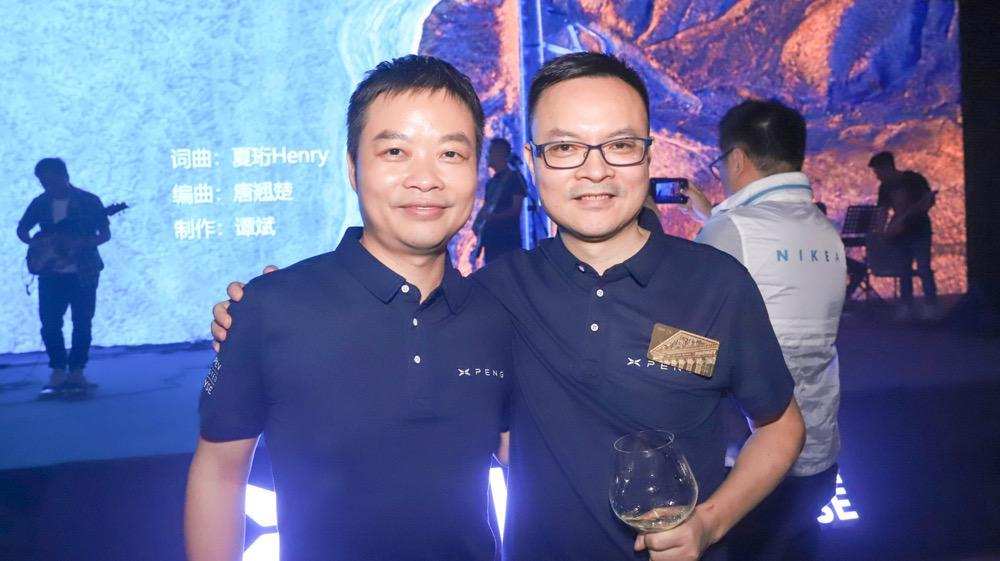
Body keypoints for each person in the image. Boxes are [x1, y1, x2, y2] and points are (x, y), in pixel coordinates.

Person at [212, 52, 805, 561]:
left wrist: (710, 523)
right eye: (566, 147)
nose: (595, 169)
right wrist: (269, 311)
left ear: (648, 156)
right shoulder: (496, 293)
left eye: (620, 145)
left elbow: (781, 429)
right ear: (534, 161)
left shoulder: (717, 283)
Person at [185, 55, 514, 561]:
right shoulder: (272, 308)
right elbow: (219, 474)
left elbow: (527, 462)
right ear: (352, 168)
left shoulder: (496, 317)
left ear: (475, 170)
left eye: (450, 153)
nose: (424, 178)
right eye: (395, 151)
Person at [683, 99, 846, 560]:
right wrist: (713, 219)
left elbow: (688, 348)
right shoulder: (826, 232)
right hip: (818, 450)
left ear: (736, 158)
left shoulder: (730, 231)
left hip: (749, 463)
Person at [17, 158, 111, 399]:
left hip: (84, 271)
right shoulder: (40, 203)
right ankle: (58, 371)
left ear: (64, 176)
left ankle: (77, 372)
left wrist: (82, 243)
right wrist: (40, 245)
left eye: (51, 179)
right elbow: (22, 229)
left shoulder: (88, 201)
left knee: (82, 322)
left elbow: (104, 234)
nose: (47, 185)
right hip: (50, 274)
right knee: (50, 324)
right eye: (43, 181)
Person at [868, 151, 937, 316]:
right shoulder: (884, 188)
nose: (877, 176)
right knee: (903, 270)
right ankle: (906, 305)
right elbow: (883, 211)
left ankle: (931, 305)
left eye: (878, 171)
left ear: (887, 167)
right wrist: (881, 231)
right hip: (900, 234)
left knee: (923, 268)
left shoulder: (914, 179)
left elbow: (927, 202)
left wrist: (912, 214)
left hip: (920, 230)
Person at [470, 138, 527, 265]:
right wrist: (478, 223)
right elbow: (487, 206)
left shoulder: (514, 178)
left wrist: (493, 218)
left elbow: (516, 210)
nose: (487, 156)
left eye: (491, 152)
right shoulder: (491, 183)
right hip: (491, 242)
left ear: (500, 154)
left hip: (507, 242)